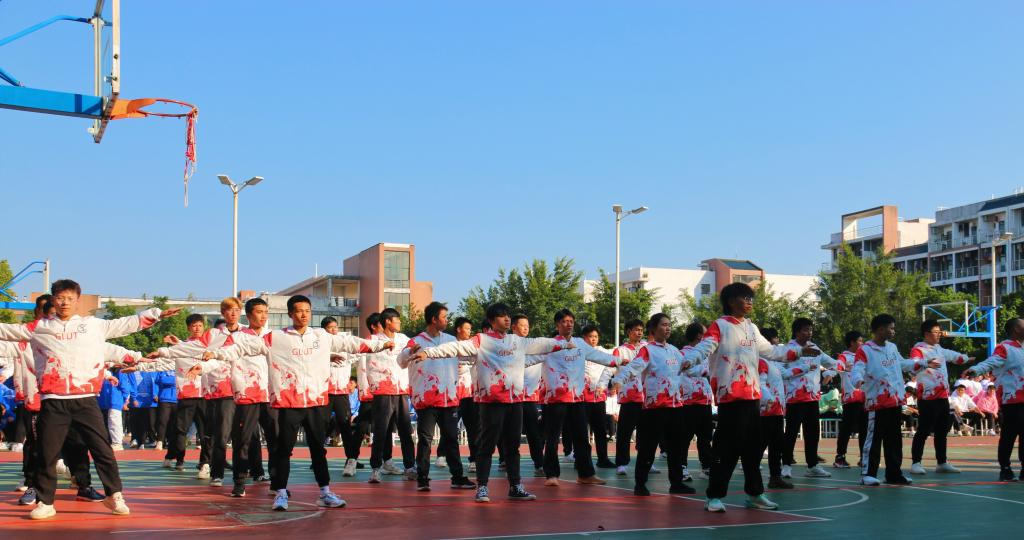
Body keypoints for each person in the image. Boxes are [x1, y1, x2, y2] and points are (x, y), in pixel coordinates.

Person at [0, 278, 181, 520]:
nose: (65, 303)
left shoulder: (92, 326)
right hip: (53, 401)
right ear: (54, 300)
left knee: (102, 449)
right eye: (60, 298)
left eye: (70, 299)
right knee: (46, 453)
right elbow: (5, 330)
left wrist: (155, 314)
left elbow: (124, 324)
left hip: (85, 400)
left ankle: (114, 495)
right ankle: (46, 502)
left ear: (77, 301)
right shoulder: (38, 328)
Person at [207, 294, 393, 511]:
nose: (304, 315)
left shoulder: (321, 336)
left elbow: (350, 343)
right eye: (299, 311)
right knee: (283, 450)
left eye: (307, 311)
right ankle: (280, 493)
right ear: (290, 314)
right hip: (289, 404)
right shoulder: (277, 337)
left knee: (318, 450)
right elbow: (242, 349)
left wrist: (380, 345)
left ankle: (325, 492)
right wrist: (216, 354)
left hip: (316, 403)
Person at [408, 302, 571, 504]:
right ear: (493, 321)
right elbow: (455, 347)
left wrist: (564, 343)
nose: (507, 319)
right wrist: (428, 352)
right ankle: (482, 487)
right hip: (491, 402)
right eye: (502, 316)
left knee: (513, 447)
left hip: (515, 402)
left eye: (508, 315)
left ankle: (515, 486)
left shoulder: (517, 341)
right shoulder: (481, 340)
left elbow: (541, 343)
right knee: (486, 446)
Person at [679, 283, 820, 513]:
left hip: (753, 398)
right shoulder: (720, 326)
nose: (749, 302)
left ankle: (755, 494)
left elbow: (772, 351)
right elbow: (704, 348)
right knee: (726, 450)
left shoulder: (752, 328)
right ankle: (714, 496)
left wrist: (800, 351)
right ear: (731, 301)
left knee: (753, 450)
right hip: (730, 398)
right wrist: (689, 360)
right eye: (745, 298)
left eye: (750, 298)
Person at [611, 313, 695, 496]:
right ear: (654, 329)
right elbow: (633, 367)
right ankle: (640, 484)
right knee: (648, 448)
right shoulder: (648, 350)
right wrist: (618, 380)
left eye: (669, 324)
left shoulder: (675, 351)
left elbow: (688, 369)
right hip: (654, 408)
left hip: (675, 407)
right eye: (664, 325)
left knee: (676, 447)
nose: (668, 328)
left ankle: (676, 483)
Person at [397, 301, 475, 491]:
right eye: (444, 317)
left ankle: (457, 477)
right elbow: (401, 362)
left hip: (449, 398)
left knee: (451, 439)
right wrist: (408, 352)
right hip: (427, 400)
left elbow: (468, 358)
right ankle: (423, 477)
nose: (447, 320)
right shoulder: (416, 342)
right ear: (433, 319)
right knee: (425, 439)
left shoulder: (451, 340)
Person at [534, 309, 618, 487]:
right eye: (565, 321)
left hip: (577, 399)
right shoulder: (549, 344)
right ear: (557, 324)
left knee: (581, 438)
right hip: (556, 400)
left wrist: (618, 361)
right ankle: (551, 474)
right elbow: (531, 359)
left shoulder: (580, 343)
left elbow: (598, 356)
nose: (569, 324)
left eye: (571, 321)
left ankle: (586, 474)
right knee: (552, 438)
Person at [851, 314, 932, 487]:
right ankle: (867, 474)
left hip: (895, 401)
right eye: (891, 328)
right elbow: (857, 369)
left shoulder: (892, 347)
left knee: (894, 440)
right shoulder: (865, 350)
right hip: (876, 402)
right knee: (873, 439)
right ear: (881, 329)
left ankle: (894, 474)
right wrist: (858, 380)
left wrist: (924, 363)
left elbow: (903, 364)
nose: (893, 331)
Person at [908, 319, 974, 475]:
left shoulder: (939, 349)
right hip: (927, 397)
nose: (939, 335)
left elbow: (954, 356)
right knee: (923, 430)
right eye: (936, 332)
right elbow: (913, 365)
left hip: (943, 396)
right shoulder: (918, 349)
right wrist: (926, 363)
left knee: (942, 431)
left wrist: (966, 358)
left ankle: (942, 462)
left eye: (940, 332)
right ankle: (916, 463)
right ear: (926, 334)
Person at [966, 317, 1024, 481]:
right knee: (1009, 436)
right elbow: (990, 363)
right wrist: (975, 370)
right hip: (1012, 399)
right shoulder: (1005, 348)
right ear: (1016, 329)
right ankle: (1005, 468)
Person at [780, 318, 837, 479]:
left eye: (811, 330)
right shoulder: (788, 349)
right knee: (791, 433)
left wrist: (829, 373)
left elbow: (834, 363)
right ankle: (786, 465)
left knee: (812, 434)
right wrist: (801, 369)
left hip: (812, 398)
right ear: (796, 332)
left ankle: (812, 466)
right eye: (805, 330)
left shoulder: (814, 348)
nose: (809, 333)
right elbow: (780, 371)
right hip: (794, 398)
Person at [756, 327, 812, 490]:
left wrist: (805, 368)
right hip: (766, 411)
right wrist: (769, 399)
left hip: (777, 410)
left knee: (776, 446)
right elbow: (761, 383)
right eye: (774, 340)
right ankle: (753, 478)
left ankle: (775, 477)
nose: (777, 343)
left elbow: (786, 374)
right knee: (760, 446)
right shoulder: (761, 361)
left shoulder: (772, 363)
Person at [365, 308, 416, 483]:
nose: (399, 323)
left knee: (406, 431)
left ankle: (410, 467)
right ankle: (376, 469)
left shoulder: (404, 339)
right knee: (381, 431)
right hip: (383, 392)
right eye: (397, 320)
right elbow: (368, 365)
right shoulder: (373, 341)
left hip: (401, 391)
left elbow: (414, 349)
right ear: (388, 321)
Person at [322, 316, 362, 479]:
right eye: (330, 327)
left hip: (341, 394)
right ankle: (318, 456)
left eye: (335, 327)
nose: (334, 330)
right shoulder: (320, 347)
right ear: (324, 330)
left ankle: (351, 459)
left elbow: (359, 352)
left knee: (345, 426)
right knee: (322, 426)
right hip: (325, 393)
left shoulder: (345, 345)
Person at [612, 319, 647, 476]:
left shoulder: (647, 348)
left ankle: (646, 461)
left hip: (647, 396)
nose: (639, 332)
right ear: (628, 332)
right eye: (636, 329)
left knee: (646, 433)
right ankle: (621, 463)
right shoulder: (620, 351)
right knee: (624, 433)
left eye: (641, 330)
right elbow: (610, 369)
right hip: (629, 396)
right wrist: (608, 384)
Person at [512, 314, 546, 476]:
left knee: (534, 433)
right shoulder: (507, 346)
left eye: (527, 325)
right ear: (513, 327)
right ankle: (507, 461)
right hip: (512, 398)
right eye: (522, 325)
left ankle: (539, 463)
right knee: (511, 433)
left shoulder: (535, 346)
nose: (526, 328)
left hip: (530, 398)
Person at [679, 322, 714, 482]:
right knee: (685, 436)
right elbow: (689, 370)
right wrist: (706, 371)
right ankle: (682, 467)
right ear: (699, 335)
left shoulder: (705, 354)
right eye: (705, 333)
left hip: (705, 400)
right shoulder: (683, 353)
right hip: (689, 401)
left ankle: (706, 467)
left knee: (705, 437)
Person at [580, 325, 616, 469]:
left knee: (600, 430)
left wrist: (609, 384)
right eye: (590, 336)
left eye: (595, 336)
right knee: (582, 431)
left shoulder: (603, 352)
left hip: (599, 397)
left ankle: (603, 459)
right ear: (584, 338)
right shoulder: (579, 352)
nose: (593, 339)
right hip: (582, 398)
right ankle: (581, 459)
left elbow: (613, 364)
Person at [833, 331, 867, 469]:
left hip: (865, 398)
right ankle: (840, 457)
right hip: (851, 398)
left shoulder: (863, 357)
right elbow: (837, 367)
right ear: (852, 342)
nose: (862, 343)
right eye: (860, 341)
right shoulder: (844, 356)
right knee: (847, 429)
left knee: (865, 429)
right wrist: (841, 368)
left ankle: (864, 457)